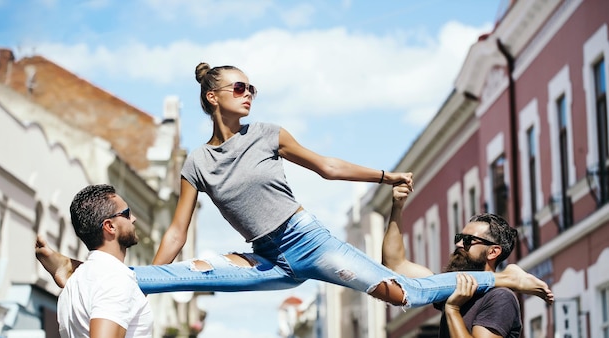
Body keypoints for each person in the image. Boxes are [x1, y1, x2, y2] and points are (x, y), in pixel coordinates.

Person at [36, 62, 554, 309]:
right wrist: (160, 267)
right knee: (184, 275)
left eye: (251, 88)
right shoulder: (196, 161)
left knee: (402, 295)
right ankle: (79, 271)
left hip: (310, 241)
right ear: (213, 97)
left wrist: (384, 175)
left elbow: (325, 165)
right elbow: (175, 232)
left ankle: (499, 279)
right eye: (239, 88)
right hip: (266, 258)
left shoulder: (267, 134)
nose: (249, 94)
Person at [382, 183, 523, 337]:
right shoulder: (451, 288)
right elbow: (395, 264)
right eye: (459, 238)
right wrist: (397, 207)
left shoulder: (500, 297)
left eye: (468, 240)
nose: (458, 244)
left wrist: (452, 309)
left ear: (493, 252)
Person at [45, 184, 153, 338]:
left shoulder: (73, 282)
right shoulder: (115, 278)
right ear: (110, 226)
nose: (133, 219)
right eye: (127, 213)